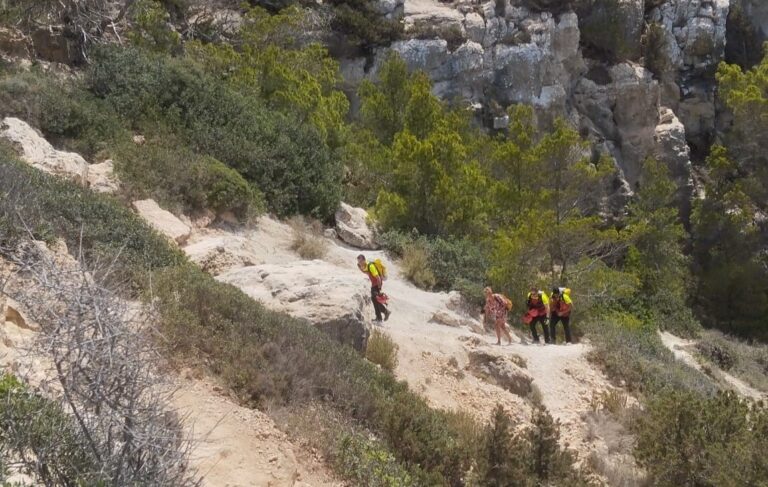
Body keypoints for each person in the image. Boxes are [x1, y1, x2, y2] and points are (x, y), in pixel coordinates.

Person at [357, 254, 390, 323]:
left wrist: (379, 288)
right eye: (358, 262)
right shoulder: (367, 266)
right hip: (374, 285)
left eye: (360, 262)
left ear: (364, 260)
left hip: (376, 285)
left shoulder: (370, 266)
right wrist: (360, 269)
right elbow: (367, 273)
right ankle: (382, 315)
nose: (359, 263)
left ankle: (381, 316)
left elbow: (378, 277)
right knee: (375, 300)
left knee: (376, 300)